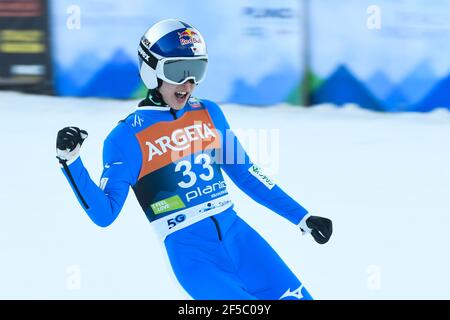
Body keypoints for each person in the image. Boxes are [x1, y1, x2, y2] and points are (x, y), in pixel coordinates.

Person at [56, 19, 332, 300]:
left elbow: (247, 173)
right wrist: (71, 161)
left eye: (197, 70)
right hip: (194, 258)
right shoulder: (125, 137)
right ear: (152, 71)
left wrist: (302, 216)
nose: (188, 84)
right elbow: (105, 214)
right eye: (178, 71)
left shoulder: (209, 113)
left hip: (241, 238)